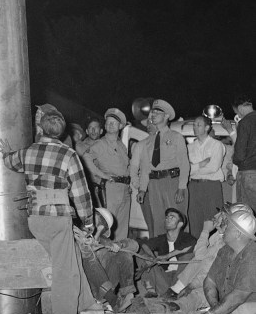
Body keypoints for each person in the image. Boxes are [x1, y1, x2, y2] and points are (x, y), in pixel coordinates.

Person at [0, 103, 95, 314]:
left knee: (70, 259)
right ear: (62, 132)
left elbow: (9, 161)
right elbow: (81, 193)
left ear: (41, 129)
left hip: (36, 220)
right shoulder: (68, 155)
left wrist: (5, 152)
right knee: (65, 273)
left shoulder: (29, 151)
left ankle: (85, 301)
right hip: (59, 219)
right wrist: (89, 222)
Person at [184, 205, 256, 314]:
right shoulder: (225, 250)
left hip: (248, 307)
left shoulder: (252, 257)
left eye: (228, 226)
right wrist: (214, 307)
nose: (224, 228)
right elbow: (209, 280)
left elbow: (237, 298)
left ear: (238, 234)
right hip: (231, 305)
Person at [134, 99, 189, 237]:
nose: (153, 114)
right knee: (159, 223)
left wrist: (182, 187)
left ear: (166, 116)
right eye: (153, 111)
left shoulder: (176, 137)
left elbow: (184, 163)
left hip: (172, 182)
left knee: (177, 221)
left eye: (158, 112)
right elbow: (146, 167)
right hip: (154, 185)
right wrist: (142, 189)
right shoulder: (148, 142)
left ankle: (182, 255)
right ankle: (162, 257)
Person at [84, 108, 132, 240]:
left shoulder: (121, 145)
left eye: (114, 123)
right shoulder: (100, 144)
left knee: (122, 227)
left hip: (124, 188)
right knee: (107, 224)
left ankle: (121, 256)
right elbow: (86, 158)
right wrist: (102, 175)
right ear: (104, 126)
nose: (110, 125)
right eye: (108, 122)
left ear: (120, 126)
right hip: (110, 188)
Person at [137, 207, 196, 297]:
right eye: (167, 217)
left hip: (181, 278)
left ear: (180, 224)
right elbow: (144, 245)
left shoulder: (186, 237)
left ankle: (175, 291)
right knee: (141, 254)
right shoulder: (162, 239)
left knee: (189, 256)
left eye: (172, 217)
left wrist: (167, 256)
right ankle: (151, 291)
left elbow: (191, 244)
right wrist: (151, 258)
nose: (168, 219)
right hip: (164, 278)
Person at [187, 113, 226, 233]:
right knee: (194, 218)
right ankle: (196, 250)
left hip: (211, 185)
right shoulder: (189, 147)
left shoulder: (216, 145)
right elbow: (185, 169)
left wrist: (194, 168)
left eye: (198, 125)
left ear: (207, 128)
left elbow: (213, 167)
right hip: (193, 186)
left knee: (213, 218)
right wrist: (201, 164)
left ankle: (212, 250)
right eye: (194, 125)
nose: (195, 127)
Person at [232, 95, 256, 211]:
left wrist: (234, 159)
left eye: (237, 112)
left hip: (248, 174)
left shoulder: (245, 122)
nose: (239, 115)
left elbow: (239, 155)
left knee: (247, 213)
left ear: (240, 108)